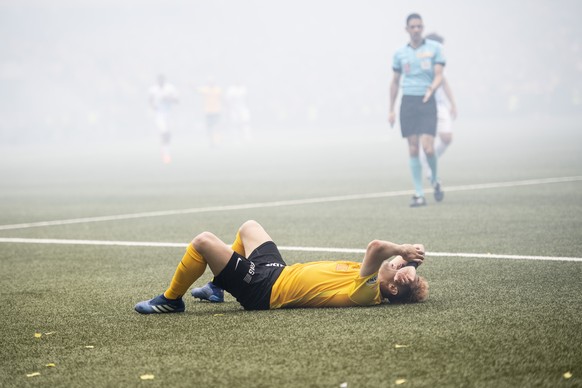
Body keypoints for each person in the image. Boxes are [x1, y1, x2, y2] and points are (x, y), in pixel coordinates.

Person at [134, 220, 428, 314]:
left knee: (203, 242)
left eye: (398, 269)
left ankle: (171, 300)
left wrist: (403, 251)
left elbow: (377, 247)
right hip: (278, 272)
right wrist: (411, 260)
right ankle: (216, 287)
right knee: (249, 227)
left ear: (391, 287)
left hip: (265, 290)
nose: (396, 261)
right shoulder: (379, 276)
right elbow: (394, 260)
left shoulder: (367, 292)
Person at [389, 13, 446, 207]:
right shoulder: (399, 53)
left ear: (423, 28)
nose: (416, 30)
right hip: (408, 102)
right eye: (412, 27)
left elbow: (439, 75)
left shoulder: (434, 49)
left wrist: (432, 87)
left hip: (427, 100)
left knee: (428, 147)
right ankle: (419, 194)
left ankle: (435, 180)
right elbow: (395, 82)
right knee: (413, 148)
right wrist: (391, 109)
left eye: (419, 26)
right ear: (407, 29)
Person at [419, 33, 458, 181]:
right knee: (427, 141)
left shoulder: (439, 61)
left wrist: (453, 103)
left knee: (447, 138)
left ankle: (427, 159)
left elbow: (444, 82)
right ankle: (427, 163)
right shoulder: (422, 60)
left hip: (440, 105)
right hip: (426, 104)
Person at [149, 74, 179, 164]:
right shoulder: (153, 89)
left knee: (168, 135)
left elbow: (177, 100)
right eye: (159, 80)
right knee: (164, 133)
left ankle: (165, 149)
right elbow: (150, 100)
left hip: (169, 115)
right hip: (159, 115)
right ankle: (166, 153)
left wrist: (169, 98)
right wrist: (152, 107)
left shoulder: (170, 88)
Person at [197, 78, 223, 147]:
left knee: (217, 128)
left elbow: (221, 98)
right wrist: (191, 86)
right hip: (208, 112)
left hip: (216, 111)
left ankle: (217, 142)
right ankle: (211, 142)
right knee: (210, 128)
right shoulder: (205, 89)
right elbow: (197, 91)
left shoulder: (218, 89)